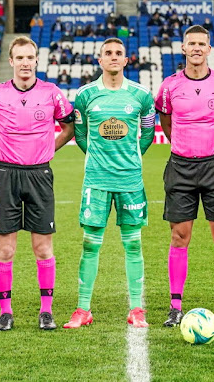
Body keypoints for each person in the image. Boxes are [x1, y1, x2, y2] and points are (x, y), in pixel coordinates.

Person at [0, 36, 75, 331]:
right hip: (6, 175)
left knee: (43, 247)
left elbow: (69, 127)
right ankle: (6, 312)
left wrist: (50, 149)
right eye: (21, 58)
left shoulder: (52, 93)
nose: (26, 63)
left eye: (31, 57)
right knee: (5, 249)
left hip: (40, 175)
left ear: (37, 60)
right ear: (12, 61)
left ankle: (46, 311)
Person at [63, 38, 156, 329]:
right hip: (96, 180)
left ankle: (137, 309)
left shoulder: (141, 95)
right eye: (108, 53)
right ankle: (83, 309)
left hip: (130, 180)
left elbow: (148, 134)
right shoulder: (85, 95)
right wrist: (100, 159)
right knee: (90, 245)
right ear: (100, 60)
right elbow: (80, 136)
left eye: (118, 53)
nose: (113, 57)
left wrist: (129, 157)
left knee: (133, 245)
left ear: (126, 60)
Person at [155, 25, 214, 328]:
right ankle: (175, 305)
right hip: (180, 167)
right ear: (183, 48)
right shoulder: (169, 86)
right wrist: (184, 144)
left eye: (201, 44)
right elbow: (165, 119)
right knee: (180, 236)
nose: (196, 48)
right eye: (191, 43)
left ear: (208, 49)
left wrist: (211, 146)